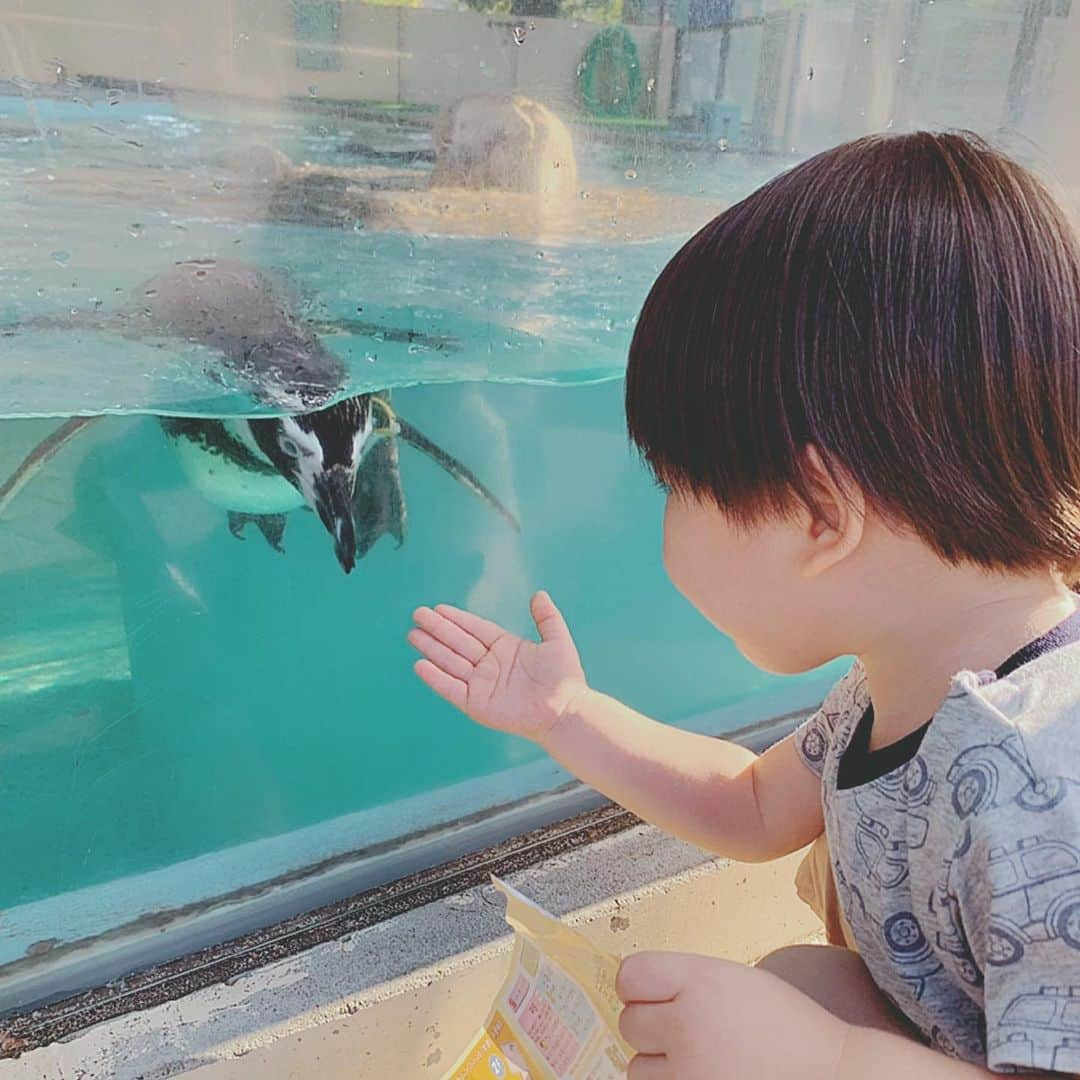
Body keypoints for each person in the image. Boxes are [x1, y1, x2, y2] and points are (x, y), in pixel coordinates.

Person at [408, 131, 1080, 1078]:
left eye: (682, 482)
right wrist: (569, 715)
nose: (667, 514)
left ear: (818, 515)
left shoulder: (1046, 788)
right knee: (803, 981)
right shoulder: (905, 681)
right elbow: (756, 804)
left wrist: (829, 1060)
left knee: (801, 1011)